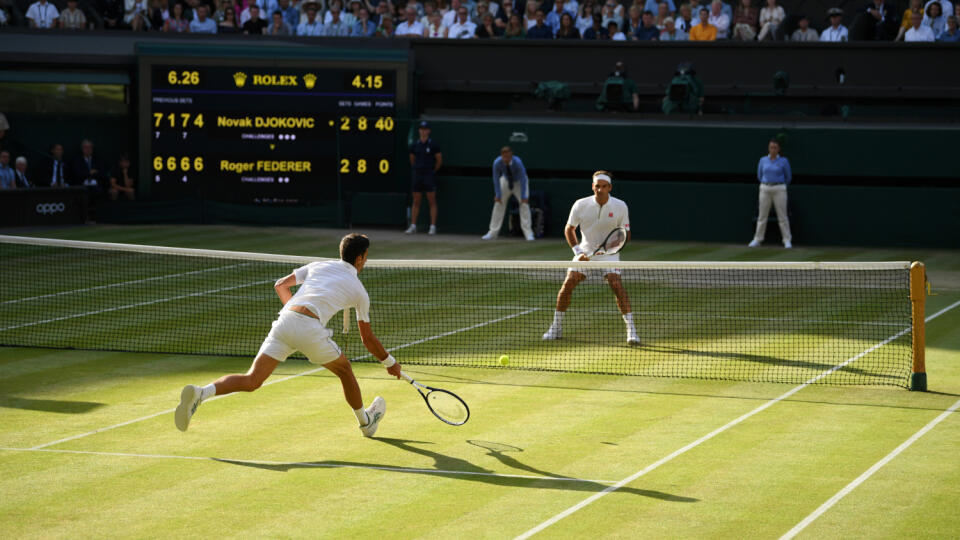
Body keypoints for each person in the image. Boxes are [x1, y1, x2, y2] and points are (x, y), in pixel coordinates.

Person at [175, 234, 402, 437]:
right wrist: (389, 362)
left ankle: (201, 393)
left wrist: (295, 316)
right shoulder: (359, 291)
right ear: (360, 258)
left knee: (252, 380)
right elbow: (367, 339)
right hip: (308, 328)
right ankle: (366, 423)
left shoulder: (318, 266)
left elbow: (281, 285)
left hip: (285, 320)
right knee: (344, 370)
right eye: (366, 257)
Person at [542, 171, 639, 345]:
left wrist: (610, 249)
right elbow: (569, 229)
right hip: (585, 251)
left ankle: (632, 331)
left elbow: (625, 233)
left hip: (609, 254)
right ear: (593, 187)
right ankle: (555, 327)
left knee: (616, 284)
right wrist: (578, 252)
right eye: (597, 186)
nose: (600, 189)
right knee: (568, 284)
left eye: (604, 186)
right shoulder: (580, 204)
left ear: (609, 187)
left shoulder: (620, 206)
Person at [482, 147, 535, 241]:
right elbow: (496, 178)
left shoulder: (518, 162)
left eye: (507, 156)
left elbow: (523, 178)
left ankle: (528, 233)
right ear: (501, 156)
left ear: (511, 155)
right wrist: (498, 194)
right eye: (504, 156)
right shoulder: (497, 163)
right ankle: (492, 233)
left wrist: (523, 196)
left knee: (524, 204)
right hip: (506, 181)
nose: (505, 159)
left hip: (519, 182)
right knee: (498, 204)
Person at [748, 139, 793, 249]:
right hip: (765, 188)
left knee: (782, 216)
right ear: (769, 148)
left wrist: (779, 184)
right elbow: (759, 175)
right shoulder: (763, 160)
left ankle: (787, 240)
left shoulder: (784, 161)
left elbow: (788, 177)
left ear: (778, 149)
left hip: (779, 188)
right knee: (762, 216)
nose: (773, 150)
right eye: (771, 147)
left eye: (775, 147)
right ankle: (758, 239)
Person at [406, 121, 442, 235]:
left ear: (428, 131)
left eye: (425, 129)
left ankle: (432, 227)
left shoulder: (433, 145)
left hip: (429, 175)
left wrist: (431, 171)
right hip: (417, 174)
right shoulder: (414, 145)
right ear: (419, 130)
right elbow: (412, 159)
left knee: (432, 201)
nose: (423, 131)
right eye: (421, 129)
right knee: (416, 201)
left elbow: (439, 161)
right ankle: (413, 225)